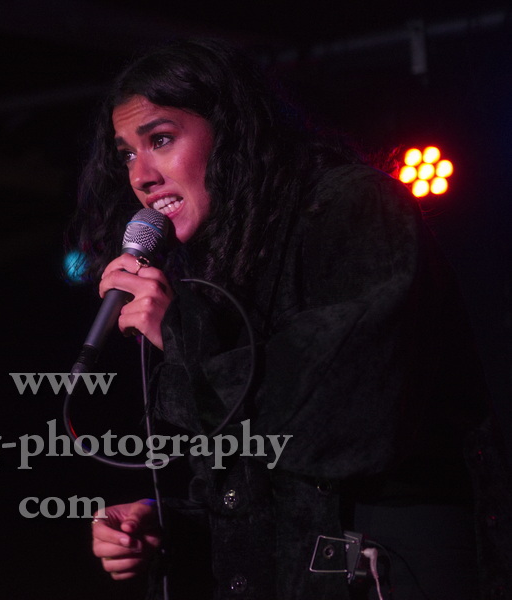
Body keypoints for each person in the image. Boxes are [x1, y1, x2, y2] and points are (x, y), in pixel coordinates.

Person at [67, 38, 511, 599]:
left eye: (160, 139)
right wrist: (170, 527)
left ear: (230, 132)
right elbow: (270, 487)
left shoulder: (354, 206)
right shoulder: (220, 269)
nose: (141, 175)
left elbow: (351, 422)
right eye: (127, 154)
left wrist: (181, 340)